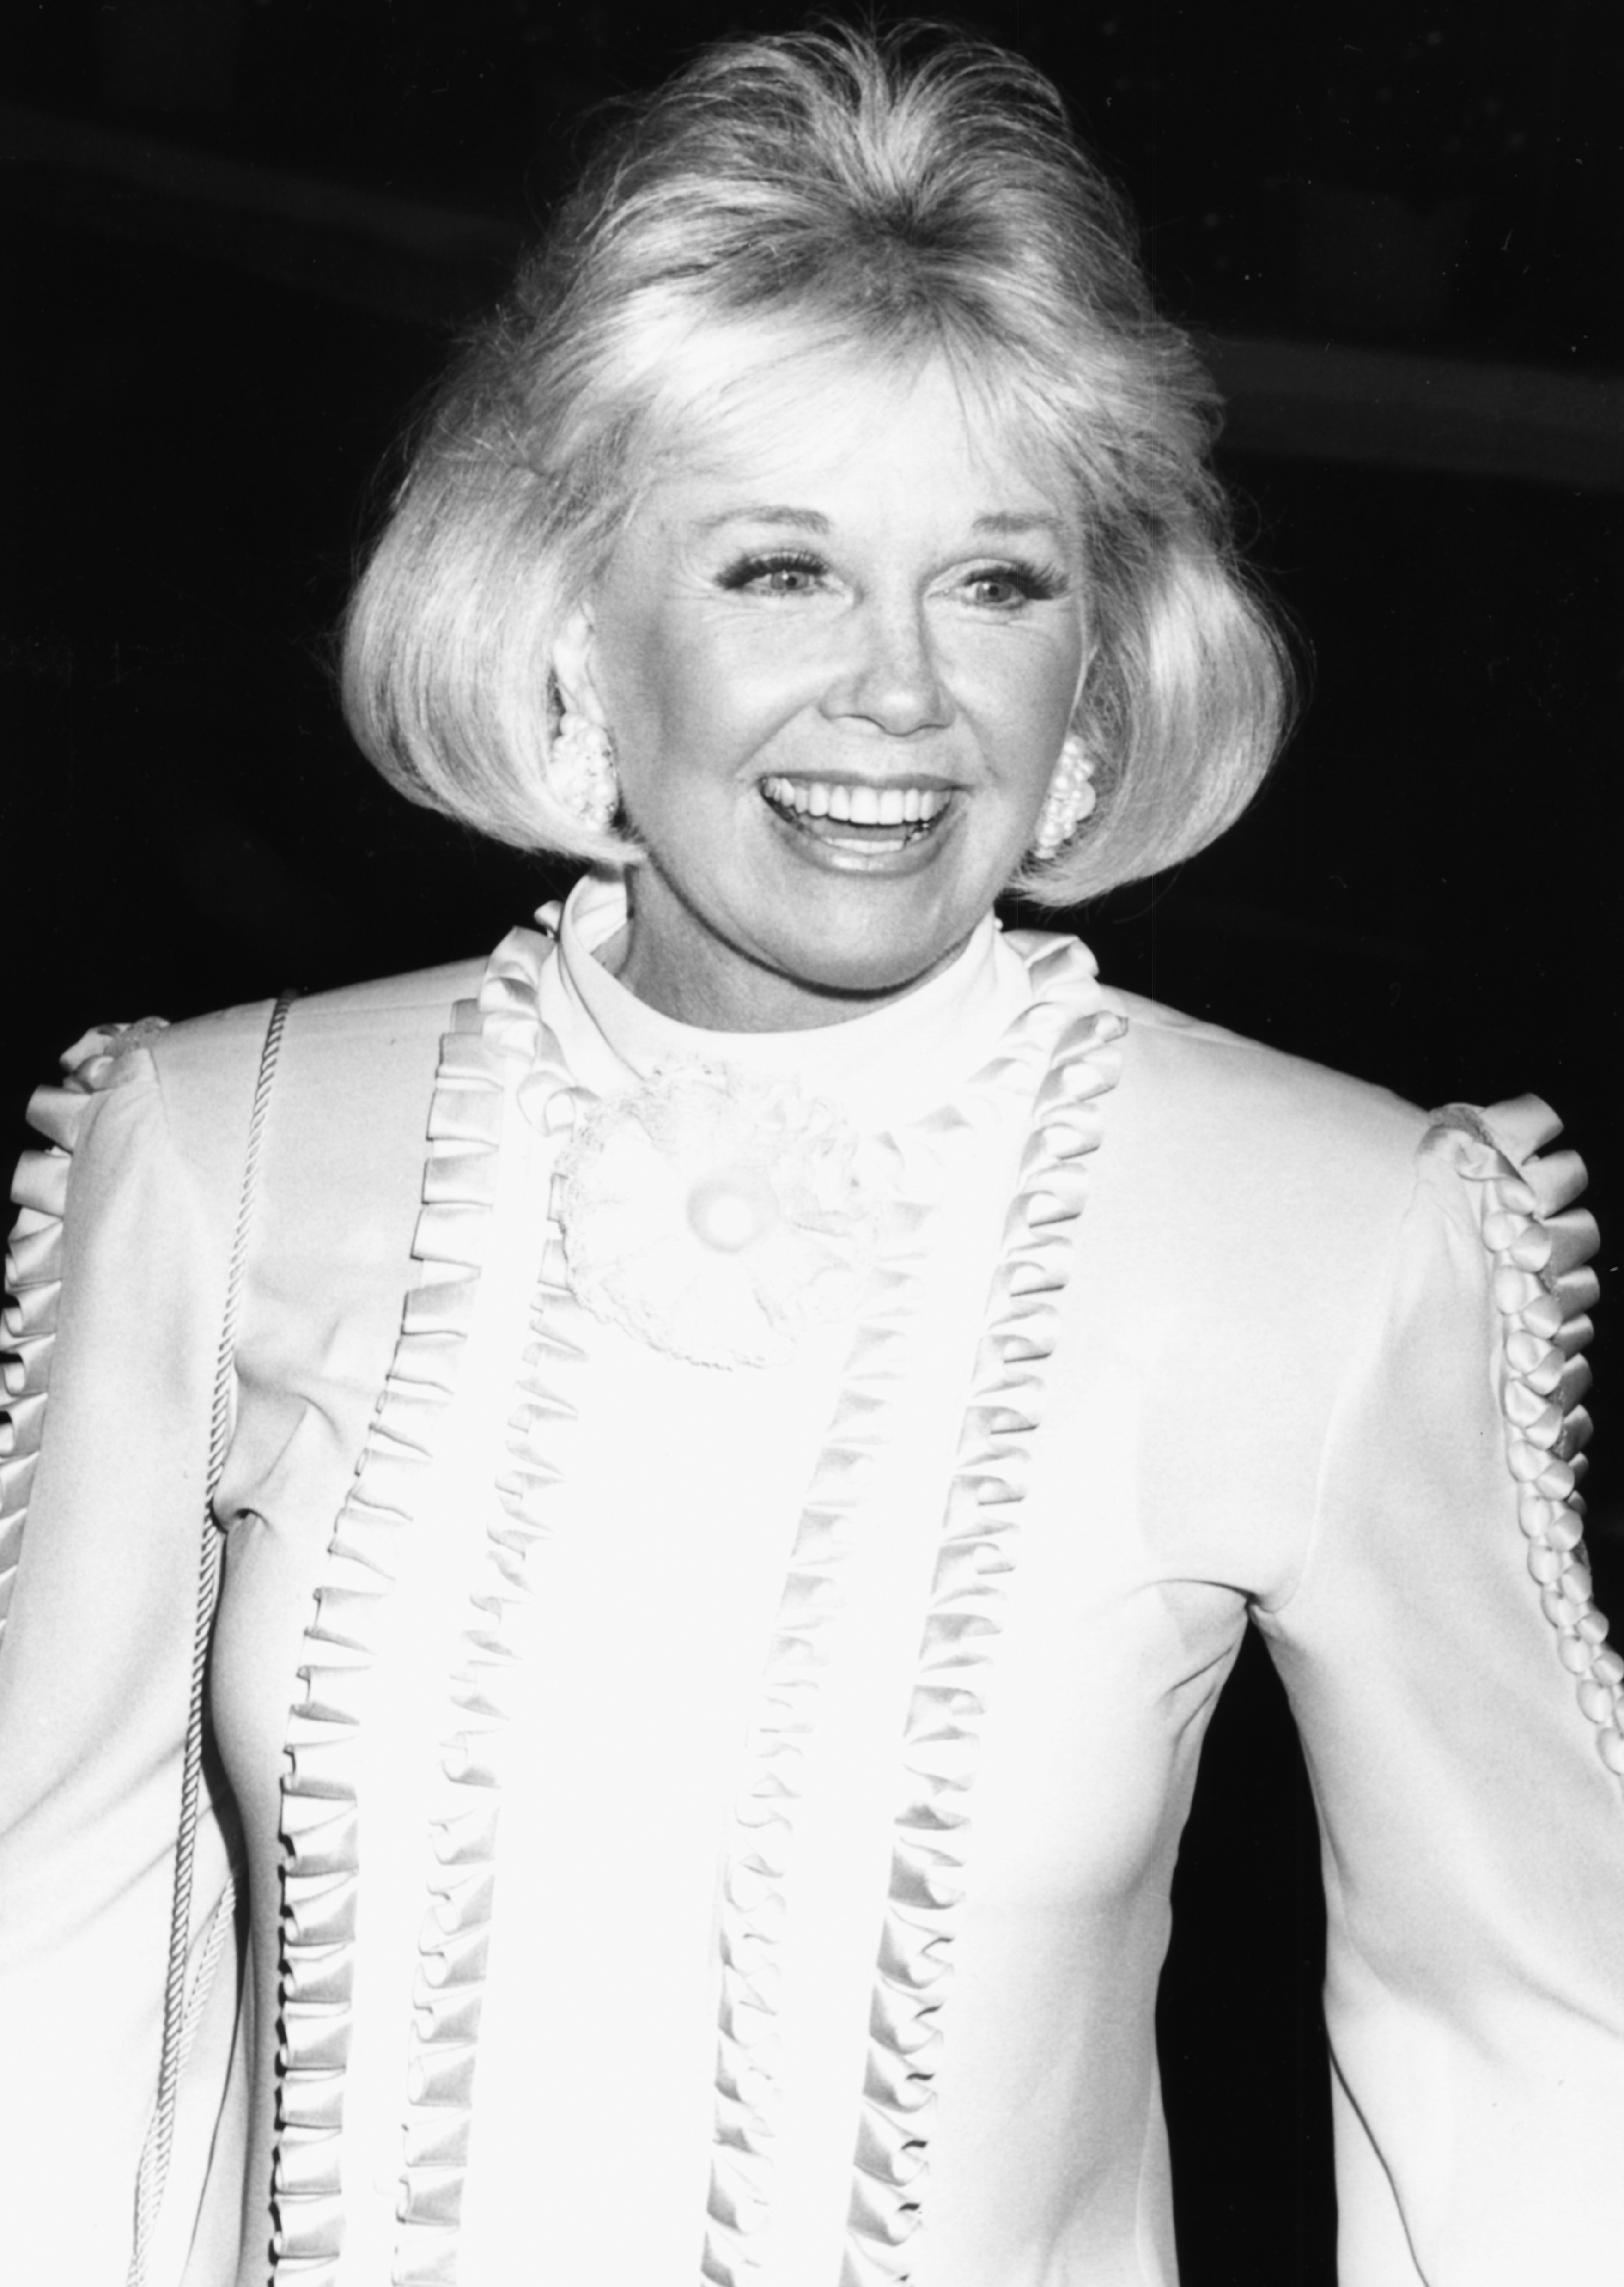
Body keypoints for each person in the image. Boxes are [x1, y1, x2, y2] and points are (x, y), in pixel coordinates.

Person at [0, 24, 1618, 2287]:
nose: (900, 695)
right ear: (574, 621)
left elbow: (1549, 2060)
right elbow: (43, 1969)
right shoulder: (218, 1151)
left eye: (997, 583)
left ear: (1098, 674)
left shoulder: (1335, 1231)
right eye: (782, 569)